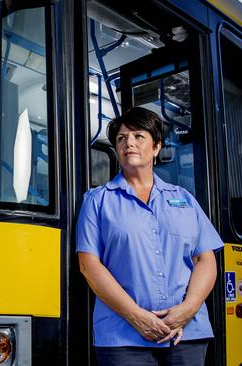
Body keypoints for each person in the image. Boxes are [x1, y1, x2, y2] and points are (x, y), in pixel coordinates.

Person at [76, 107, 223, 365]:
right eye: (121, 138)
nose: (128, 143)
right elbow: (89, 265)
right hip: (123, 337)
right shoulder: (97, 201)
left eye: (137, 136)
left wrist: (187, 310)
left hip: (186, 334)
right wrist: (137, 317)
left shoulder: (184, 199)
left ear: (156, 147)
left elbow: (205, 259)